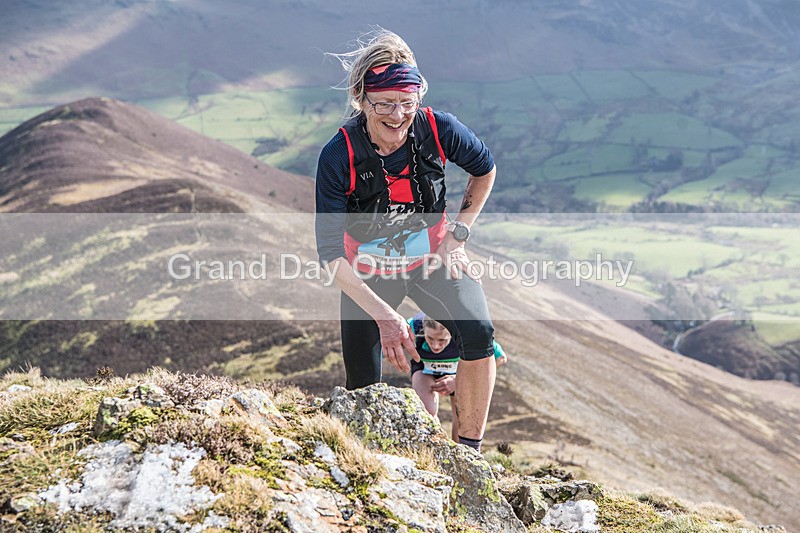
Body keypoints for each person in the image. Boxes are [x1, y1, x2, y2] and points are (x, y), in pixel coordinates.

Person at [315, 29, 498, 452]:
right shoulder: (338, 154)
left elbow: (484, 169)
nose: (397, 115)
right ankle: (368, 459)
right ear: (361, 99)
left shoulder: (437, 128)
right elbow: (328, 256)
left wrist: (458, 236)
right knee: (362, 381)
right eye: (384, 105)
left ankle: (467, 454)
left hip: (434, 258)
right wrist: (383, 316)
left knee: (479, 333)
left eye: (406, 104)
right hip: (367, 270)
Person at [408, 313, 507, 442]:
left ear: (452, 333)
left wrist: (457, 380)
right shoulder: (413, 325)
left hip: (459, 372)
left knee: (462, 424)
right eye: (430, 338)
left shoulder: (468, 332)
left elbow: (500, 358)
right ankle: (432, 448)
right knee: (426, 412)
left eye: (442, 340)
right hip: (425, 369)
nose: (435, 345)